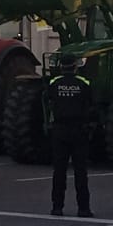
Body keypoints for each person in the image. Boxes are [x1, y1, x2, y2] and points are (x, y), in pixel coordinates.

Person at [45, 55, 93, 217]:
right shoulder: (83, 83)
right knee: (80, 171)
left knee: (59, 171)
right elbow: (91, 103)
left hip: (60, 130)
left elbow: (47, 101)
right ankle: (83, 208)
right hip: (79, 130)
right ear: (75, 67)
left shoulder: (54, 83)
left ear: (61, 67)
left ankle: (57, 207)